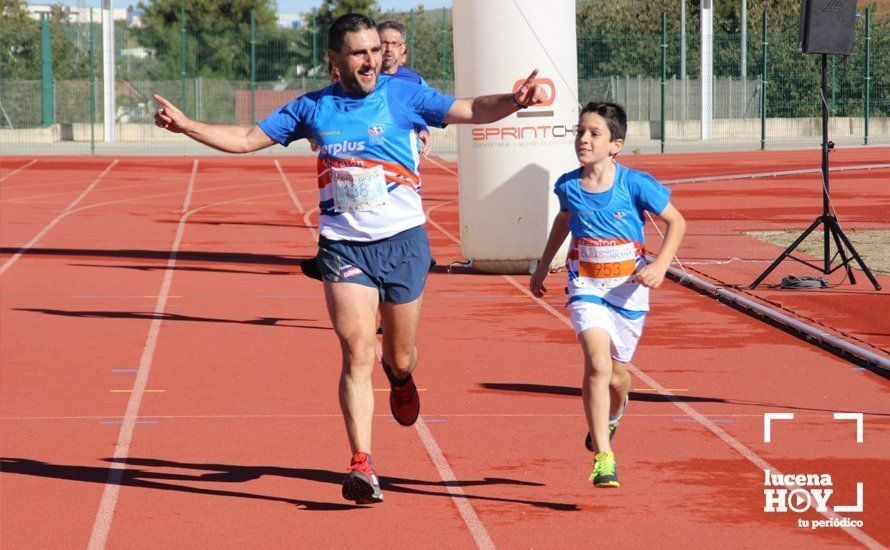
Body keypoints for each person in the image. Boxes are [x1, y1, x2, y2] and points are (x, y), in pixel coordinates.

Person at [153, 13, 548, 504]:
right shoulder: (312, 108)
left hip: (403, 242)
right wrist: (187, 125)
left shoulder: (404, 95)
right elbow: (246, 139)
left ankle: (401, 378)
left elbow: (470, 109)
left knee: (397, 356)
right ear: (335, 60)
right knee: (358, 350)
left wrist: (513, 101)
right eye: (360, 52)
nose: (372, 59)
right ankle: (362, 463)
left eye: (375, 51)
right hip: (343, 245)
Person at [530, 102, 686, 488]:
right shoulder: (568, 185)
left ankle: (614, 416)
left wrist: (661, 266)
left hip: (629, 293)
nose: (583, 139)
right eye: (580, 131)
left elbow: (677, 222)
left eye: (594, 133)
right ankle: (604, 457)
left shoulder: (635, 184)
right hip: (586, 287)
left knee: (618, 377)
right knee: (597, 364)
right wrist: (543, 263)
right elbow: (564, 220)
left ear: (615, 144)